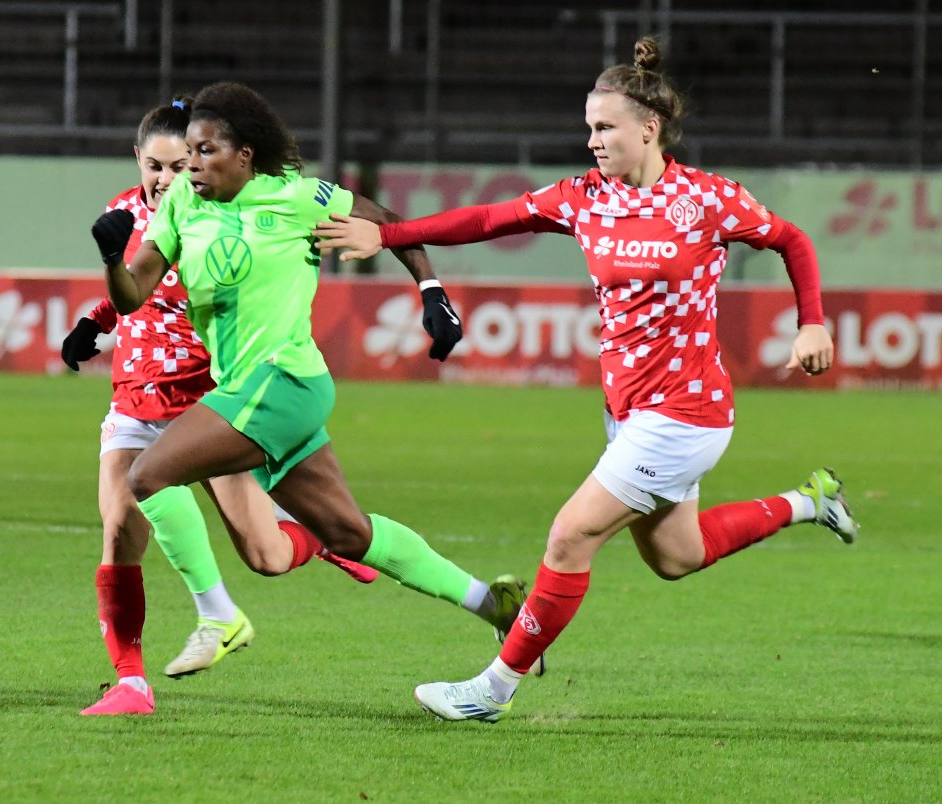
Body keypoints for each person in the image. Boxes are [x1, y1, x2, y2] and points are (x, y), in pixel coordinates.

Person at [313, 36, 860, 722]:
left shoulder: (708, 201)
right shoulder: (582, 198)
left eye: (605, 128)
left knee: (571, 537)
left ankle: (492, 689)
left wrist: (812, 322)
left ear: (649, 129)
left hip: (687, 413)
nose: (594, 140)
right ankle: (812, 501)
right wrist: (388, 239)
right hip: (628, 412)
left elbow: (792, 240)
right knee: (677, 556)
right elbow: (486, 218)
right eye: (589, 128)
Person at [89, 81, 536, 682]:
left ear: (246, 155)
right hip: (253, 394)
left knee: (147, 474)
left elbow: (390, 223)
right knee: (348, 534)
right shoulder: (181, 208)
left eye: (205, 152)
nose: (190, 167)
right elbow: (133, 295)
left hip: (283, 380)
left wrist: (432, 291)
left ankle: (217, 617)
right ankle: (495, 603)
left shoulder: (301, 199)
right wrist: (115, 261)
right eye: (188, 153)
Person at [68, 97, 379, 717]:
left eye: (179, 165)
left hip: (211, 402)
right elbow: (137, 286)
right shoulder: (123, 213)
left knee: (265, 557)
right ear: (138, 160)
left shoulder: (211, 209)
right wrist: (94, 319)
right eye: (154, 166)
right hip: (135, 401)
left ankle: (321, 540)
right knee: (119, 528)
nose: (166, 179)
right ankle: (131, 682)